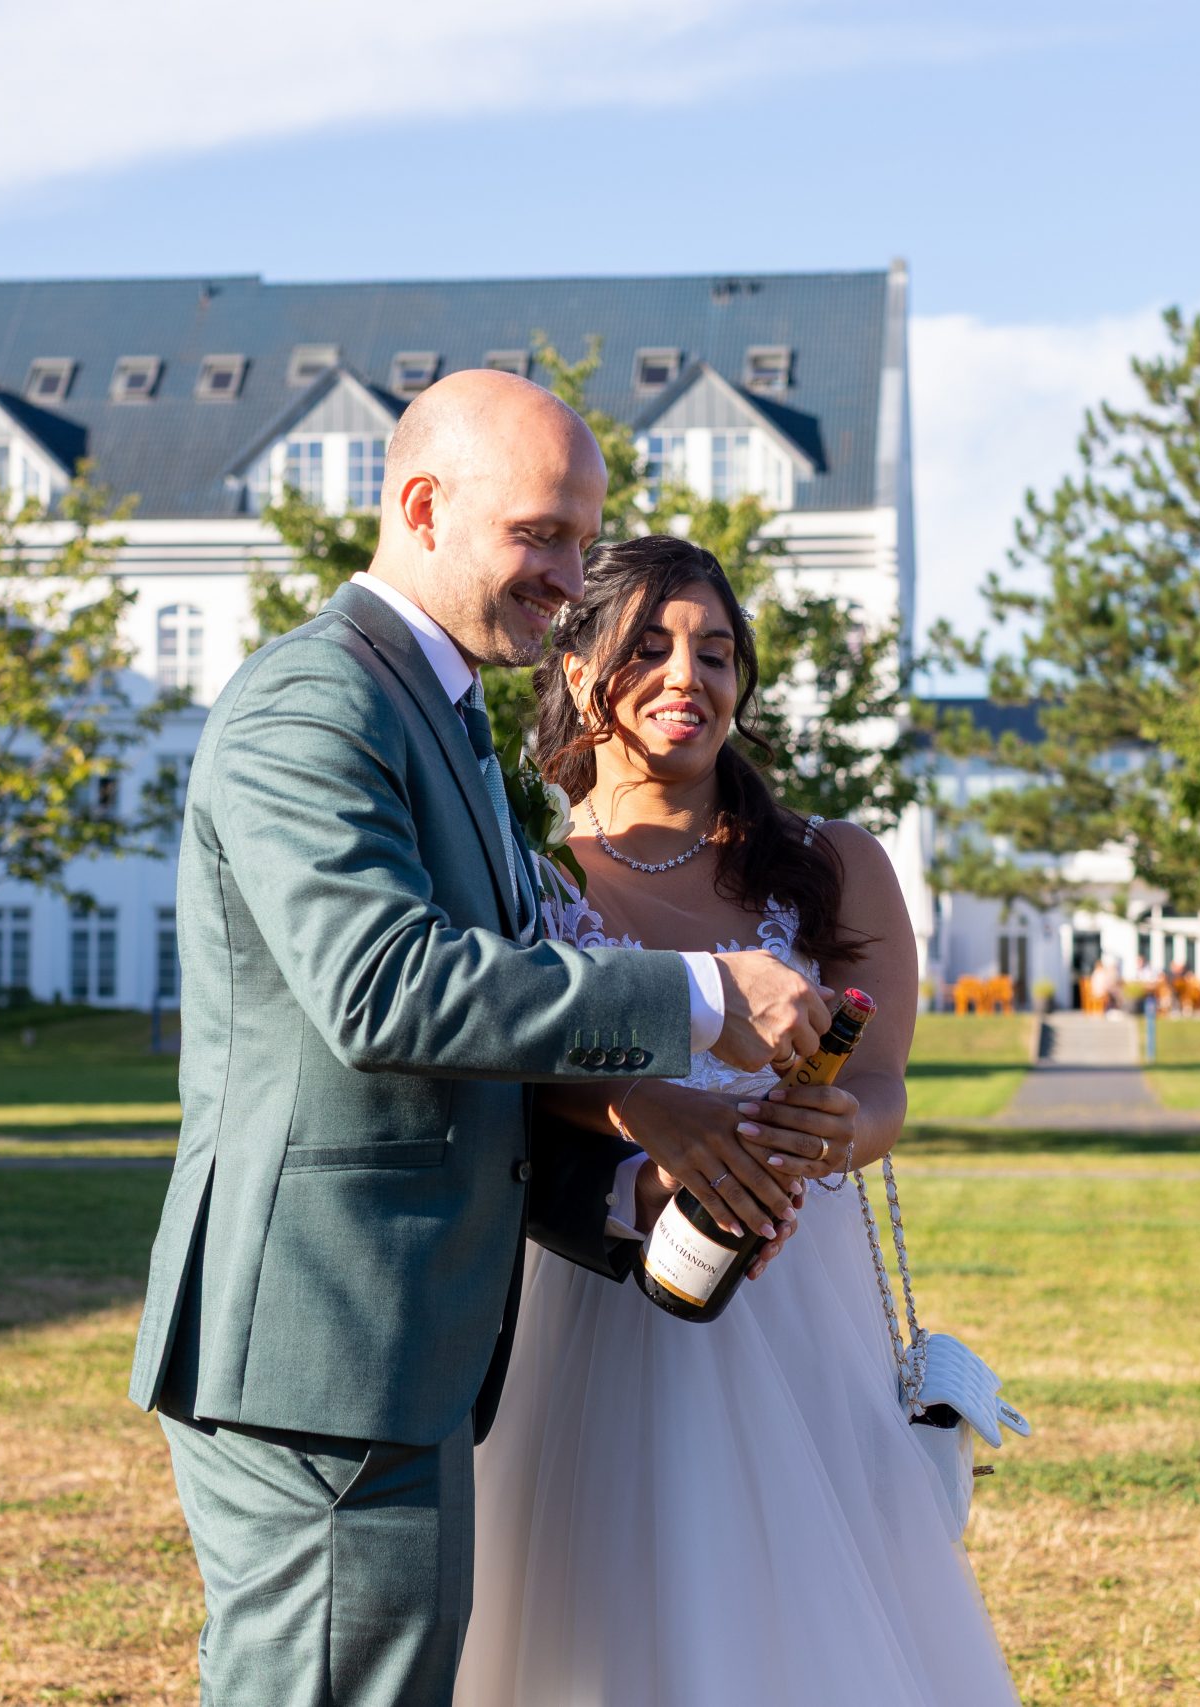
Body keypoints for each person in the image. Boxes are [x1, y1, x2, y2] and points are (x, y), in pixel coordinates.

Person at [126, 371, 833, 1707]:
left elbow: (472, 1068)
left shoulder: (443, 716)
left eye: (584, 536)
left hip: (390, 1354)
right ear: (421, 507)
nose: (570, 574)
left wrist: (633, 1193)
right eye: (540, 534)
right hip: (323, 1352)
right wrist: (701, 996)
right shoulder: (312, 702)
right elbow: (386, 990)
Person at [455, 535, 1018, 1706]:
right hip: (597, 1289)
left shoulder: (833, 863)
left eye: (715, 652)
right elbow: (495, 1057)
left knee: (812, 1613)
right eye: (650, 647)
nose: (687, 676)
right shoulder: (527, 874)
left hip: (799, 1295)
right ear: (576, 672)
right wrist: (639, 1108)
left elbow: (883, 1088)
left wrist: (835, 1132)